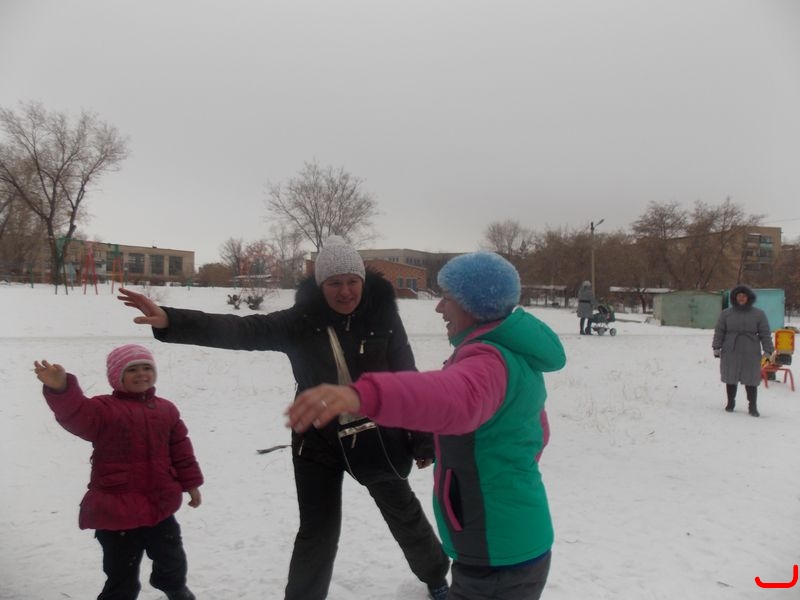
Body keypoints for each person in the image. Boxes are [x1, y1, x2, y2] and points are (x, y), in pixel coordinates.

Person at [117, 237, 450, 600]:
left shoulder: (382, 316)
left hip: (376, 436)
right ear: (320, 285)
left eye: (352, 281)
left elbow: (405, 374)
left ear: (363, 281)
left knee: (404, 513)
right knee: (317, 531)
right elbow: (244, 330)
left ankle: (435, 577)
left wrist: (421, 436)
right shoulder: (300, 322)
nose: (345, 291)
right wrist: (172, 320)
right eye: (334, 283)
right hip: (317, 441)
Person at [287, 251, 567, 600]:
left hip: (496, 554)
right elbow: (539, 434)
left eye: (447, 297)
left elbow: (449, 398)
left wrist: (361, 396)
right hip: (508, 540)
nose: (439, 307)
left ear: (474, 305)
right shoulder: (506, 353)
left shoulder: (488, 362)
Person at [33, 344, 203, 600]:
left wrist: (191, 484)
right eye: (132, 370)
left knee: (173, 560)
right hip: (116, 512)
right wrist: (61, 388)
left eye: (146, 368)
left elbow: (181, 449)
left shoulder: (166, 409)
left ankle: (175, 589)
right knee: (121, 575)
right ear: (117, 376)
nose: (141, 374)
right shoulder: (104, 409)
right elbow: (76, 414)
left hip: (159, 506)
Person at [712, 284, 775, 417]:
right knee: (731, 376)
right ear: (734, 298)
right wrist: (716, 347)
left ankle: (752, 406)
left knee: (751, 378)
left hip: (751, 349)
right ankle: (730, 403)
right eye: (738, 296)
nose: (741, 298)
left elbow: (765, 333)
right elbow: (719, 331)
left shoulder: (759, 314)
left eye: (744, 296)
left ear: (749, 297)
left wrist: (768, 350)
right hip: (731, 348)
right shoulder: (726, 313)